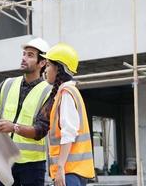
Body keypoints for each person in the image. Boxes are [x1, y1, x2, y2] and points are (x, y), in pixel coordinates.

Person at [0, 37, 52, 186]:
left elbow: (40, 130)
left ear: (42, 63)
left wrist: (13, 127)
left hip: (32, 165)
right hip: (6, 159)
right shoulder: (8, 84)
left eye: (30, 55)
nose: (24, 58)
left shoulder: (48, 92)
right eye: (24, 54)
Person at [41, 43, 95, 186]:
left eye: (48, 66)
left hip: (69, 172)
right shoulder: (67, 93)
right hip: (73, 172)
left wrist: (60, 169)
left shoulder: (66, 94)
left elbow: (69, 133)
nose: (45, 70)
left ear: (58, 69)